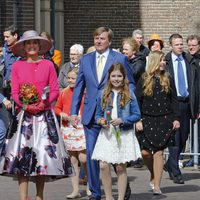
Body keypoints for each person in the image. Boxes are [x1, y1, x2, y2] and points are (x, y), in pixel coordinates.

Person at [0, 30, 74, 200]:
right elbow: (15, 92)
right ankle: (23, 197)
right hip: (24, 117)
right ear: (23, 47)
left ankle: (39, 196)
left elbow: (55, 90)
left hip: (44, 117)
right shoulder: (18, 66)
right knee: (22, 157)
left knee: (42, 156)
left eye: (35, 43)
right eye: (28, 43)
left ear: (40, 46)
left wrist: (44, 104)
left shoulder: (48, 64)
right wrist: (25, 105)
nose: (32, 46)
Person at [70, 27, 135, 200]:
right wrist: (73, 111)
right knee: (92, 155)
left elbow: (130, 83)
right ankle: (95, 193)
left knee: (114, 155)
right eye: (96, 38)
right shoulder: (86, 60)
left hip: (114, 115)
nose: (98, 41)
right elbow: (79, 87)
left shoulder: (119, 58)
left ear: (109, 41)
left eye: (102, 38)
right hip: (91, 116)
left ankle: (123, 186)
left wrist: (126, 105)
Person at [92, 63, 140, 200]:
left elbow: (137, 114)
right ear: (109, 77)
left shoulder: (129, 93)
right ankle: (108, 197)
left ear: (124, 77)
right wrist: (101, 121)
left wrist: (123, 120)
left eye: (119, 76)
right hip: (107, 134)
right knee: (103, 165)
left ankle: (120, 197)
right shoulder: (103, 93)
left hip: (123, 133)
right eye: (113, 76)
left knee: (120, 167)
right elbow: (98, 115)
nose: (116, 79)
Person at [135, 51, 180, 195]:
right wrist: (137, 120)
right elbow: (137, 101)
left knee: (159, 153)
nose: (164, 63)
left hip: (164, 119)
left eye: (165, 61)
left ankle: (157, 186)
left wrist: (176, 118)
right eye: (161, 60)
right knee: (145, 153)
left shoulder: (168, 78)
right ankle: (154, 174)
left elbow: (174, 100)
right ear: (154, 61)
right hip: (146, 120)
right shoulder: (144, 79)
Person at [164, 33, 199, 184]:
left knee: (184, 137)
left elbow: (196, 85)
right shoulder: (165, 61)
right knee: (174, 138)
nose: (180, 47)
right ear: (171, 45)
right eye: (176, 44)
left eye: (181, 44)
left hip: (186, 103)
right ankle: (177, 173)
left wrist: (196, 105)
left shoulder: (190, 61)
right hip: (172, 104)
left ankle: (169, 165)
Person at [54, 67, 90, 199]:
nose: (70, 80)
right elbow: (57, 107)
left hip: (81, 126)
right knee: (73, 159)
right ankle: (75, 190)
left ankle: (89, 184)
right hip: (67, 127)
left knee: (84, 158)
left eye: (73, 78)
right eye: (68, 78)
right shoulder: (64, 92)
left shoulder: (86, 92)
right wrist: (61, 113)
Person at [122, 37, 146, 168]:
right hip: (125, 96)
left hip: (136, 96)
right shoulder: (126, 60)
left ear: (134, 50)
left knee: (136, 127)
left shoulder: (139, 61)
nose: (123, 51)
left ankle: (137, 157)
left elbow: (133, 74)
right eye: (123, 49)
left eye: (126, 49)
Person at [183, 35, 200, 167]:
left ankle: (196, 158)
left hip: (198, 102)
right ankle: (194, 157)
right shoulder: (187, 60)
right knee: (192, 132)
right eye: (189, 45)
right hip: (190, 101)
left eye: (194, 45)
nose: (191, 47)